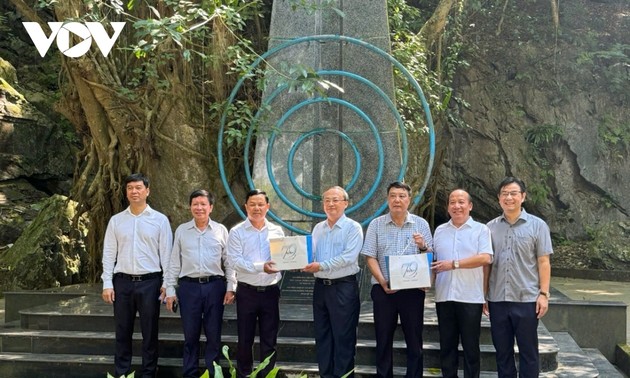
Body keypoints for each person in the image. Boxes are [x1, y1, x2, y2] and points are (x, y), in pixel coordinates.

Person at [101, 173, 173, 378]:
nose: (134, 191)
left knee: (150, 332)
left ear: (147, 191)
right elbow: (108, 253)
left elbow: (166, 254)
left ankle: (149, 373)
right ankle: (122, 373)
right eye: (130, 188)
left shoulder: (160, 220)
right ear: (126, 192)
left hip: (150, 282)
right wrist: (107, 282)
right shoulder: (116, 221)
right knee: (122, 331)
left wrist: (168, 283)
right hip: (122, 282)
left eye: (138, 187)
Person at [360, 181, 433, 378]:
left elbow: (430, 256)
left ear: (409, 199)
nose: (397, 200)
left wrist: (423, 246)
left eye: (402, 196)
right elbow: (369, 256)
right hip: (384, 290)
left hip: (412, 291)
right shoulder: (376, 224)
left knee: (414, 339)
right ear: (387, 199)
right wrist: (383, 281)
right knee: (383, 339)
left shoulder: (421, 224)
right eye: (393, 196)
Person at [484, 177, 553, 378]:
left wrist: (544, 294)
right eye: (504, 193)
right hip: (497, 299)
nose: (509, 197)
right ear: (498, 199)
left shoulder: (538, 226)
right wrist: (484, 294)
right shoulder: (490, 227)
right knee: (502, 353)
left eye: (514, 193)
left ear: (523, 197)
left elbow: (543, 262)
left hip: (527, 299)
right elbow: (487, 264)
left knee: (529, 353)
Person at [164, 189, 236, 377]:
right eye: (195, 204)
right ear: (190, 207)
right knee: (190, 336)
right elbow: (174, 262)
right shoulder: (181, 230)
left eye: (203, 204)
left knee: (214, 335)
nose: (199, 208)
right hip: (189, 288)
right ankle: (190, 373)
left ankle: (214, 373)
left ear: (211, 207)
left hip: (215, 287)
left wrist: (231, 286)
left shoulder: (221, 230)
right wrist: (170, 289)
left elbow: (229, 261)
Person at [302, 186, 363, 378]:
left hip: (343, 288)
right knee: (323, 337)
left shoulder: (353, 228)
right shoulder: (318, 228)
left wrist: (320, 266)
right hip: (321, 289)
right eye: (327, 200)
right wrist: (297, 260)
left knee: (343, 338)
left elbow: (348, 257)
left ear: (346, 203)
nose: (331, 204)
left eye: (335, 200)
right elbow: (309, 254)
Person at [431, 189, 493, 378]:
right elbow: (433, 261)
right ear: (447, 207)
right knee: (447, 346)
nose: (456, 206)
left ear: (470, 206)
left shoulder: (481, 230)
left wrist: (454, 265)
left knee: (470, 348)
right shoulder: (440, 231)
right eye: (452, 202)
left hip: (470, 297)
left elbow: (485, 258)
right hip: (444, 296)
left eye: (461, 202)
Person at [227, 189, 284, 378]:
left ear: (267, 206)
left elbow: (284, 257)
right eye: (252, 204)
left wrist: (294, 263)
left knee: (270, 339)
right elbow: (234, 261)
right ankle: (244, 375)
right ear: (246, 206)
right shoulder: (236, 232)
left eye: (261, 204)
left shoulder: (277, 231)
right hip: (247, 292)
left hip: (270, 292)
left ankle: (267, 375)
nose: (257, 208)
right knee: (245, 338)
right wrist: (262, 267)